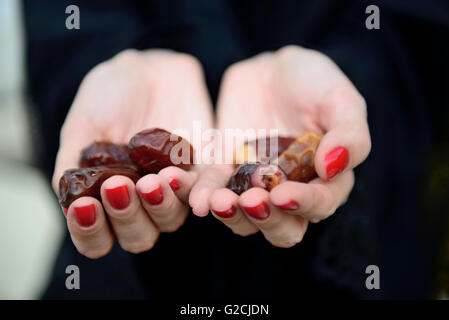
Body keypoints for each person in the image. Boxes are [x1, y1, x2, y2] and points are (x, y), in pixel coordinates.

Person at [23, 0, 447, 299]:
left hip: (369, 247)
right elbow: (62, 20)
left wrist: (353, 72)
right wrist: (103, 62)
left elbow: (418, 27)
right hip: (132, 276)